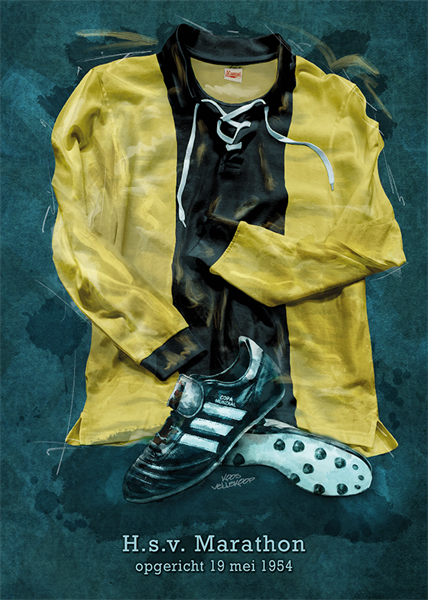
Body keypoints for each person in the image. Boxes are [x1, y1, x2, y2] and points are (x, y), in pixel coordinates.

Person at [51, 24, 405, 501]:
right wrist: (160, 342)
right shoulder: (111, 94)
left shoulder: (334, 102)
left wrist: (230, 250)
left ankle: (226, 429)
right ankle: (240, 432)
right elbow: (78, 233)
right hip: (157, 382)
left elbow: (376, 240)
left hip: (303, 384)